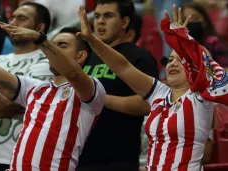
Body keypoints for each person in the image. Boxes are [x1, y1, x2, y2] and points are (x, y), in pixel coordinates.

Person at [76, 4, 228, 170]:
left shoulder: (201, 97)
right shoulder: (159, 93)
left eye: (182, 59)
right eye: (170, 60)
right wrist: (93, 41)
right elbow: (122, 67)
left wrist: (185, 40)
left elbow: (212, 69)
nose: (173, 64)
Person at [0, 21, 106, 170]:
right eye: (51, 45)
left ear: (81, 56)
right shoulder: (34, 88)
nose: (50, 51)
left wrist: (40, 39)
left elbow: (72, 73)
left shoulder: (92, 89)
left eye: (61, 45)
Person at [77, 1, 159, 171]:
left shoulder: (140, 57)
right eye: (97, 16)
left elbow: (148, 104)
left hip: (117, 160)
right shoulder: (89, 56)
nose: (100, 21)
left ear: (125, 22)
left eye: (109, 16)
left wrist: (98, 97)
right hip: (81, 157)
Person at [0, 2, 53, 170]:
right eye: (12, 18)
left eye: (21, 18)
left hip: (15, 159)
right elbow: (11, 103)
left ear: (39, 27)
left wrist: (12, 104)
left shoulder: (48, 63)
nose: (13, 23)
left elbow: (14, 102)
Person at [183, 2, 228, 70]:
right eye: (185, 20)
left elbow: (226, 69)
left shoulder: (214, 43)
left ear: (204, 19)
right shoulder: (179, 46)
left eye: (195, 18)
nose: (190, 22)